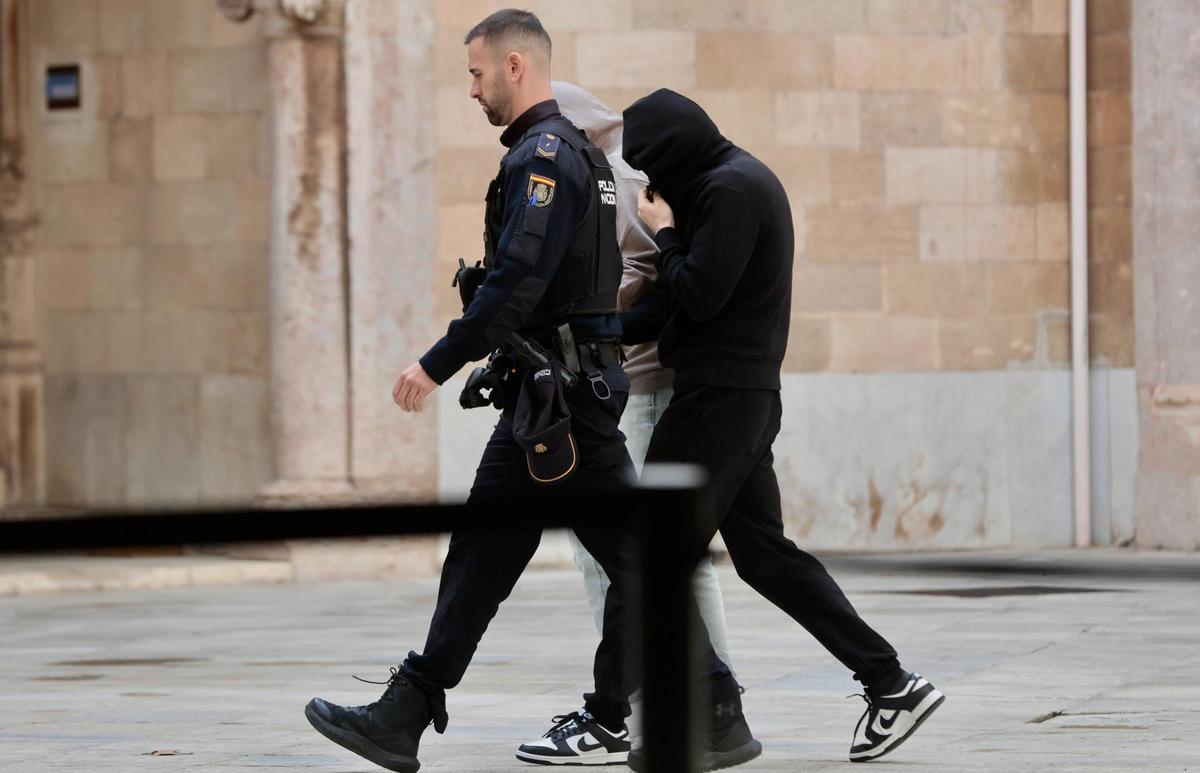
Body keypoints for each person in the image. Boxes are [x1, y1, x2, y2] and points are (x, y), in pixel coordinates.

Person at [303, 13, 738, 772]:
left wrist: (437, 362)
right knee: (488, 552)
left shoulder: (546, 158)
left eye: (476, 74)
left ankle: (715, 703)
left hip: (562, 401)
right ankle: (408, 710)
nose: (471, 90)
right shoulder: (574, 156)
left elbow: (518, 280)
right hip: (551, 396)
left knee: (626, 558)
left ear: (514, 66)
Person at [611, 89, 946, 767]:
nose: (648, 184)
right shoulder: (721, 184)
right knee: (765, 558)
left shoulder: (731, 190)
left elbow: (698, 295)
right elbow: (675, 304)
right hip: (736, 399)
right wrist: (592, 331)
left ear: (672, 153)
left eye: (650, 167)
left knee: (650, 555)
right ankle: (891, 682)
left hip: (718, 404)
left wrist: (664, 232)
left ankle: (661, 718)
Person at [552, 78, 736, 693]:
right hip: (628, 380)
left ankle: (690, 694)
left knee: (633, 547)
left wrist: (573, 308)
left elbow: (650, 267)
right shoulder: (609, 168)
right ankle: (689, 693)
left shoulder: (619, 174)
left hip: (639, 382)